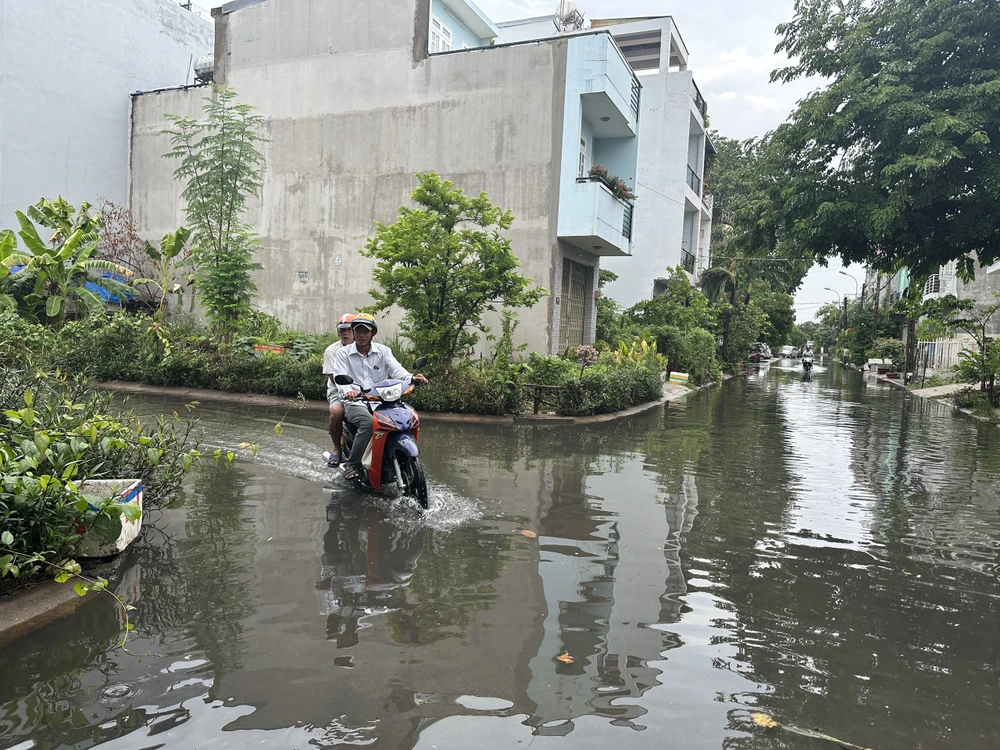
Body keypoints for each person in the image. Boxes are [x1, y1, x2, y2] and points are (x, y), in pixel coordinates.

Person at [333, 314, 427, 481]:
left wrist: (413, 380)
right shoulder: (343, 354)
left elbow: (398, 371)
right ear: (353, 333)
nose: (361, 335)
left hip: (383, 401)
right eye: (358, 331)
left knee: (405, 419)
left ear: (373, 333)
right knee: (368, 423)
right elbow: (339, 378)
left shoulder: (383, 351)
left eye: (365, 331)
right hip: (356, 402)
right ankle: (352, 464)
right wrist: (348, 391)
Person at [322, 313, 355, 467]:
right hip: (338, 390)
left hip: (364, 390)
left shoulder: (368, 348)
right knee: (336, 412)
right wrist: (349, 390)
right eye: (342, 330)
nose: (345, 333)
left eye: (348, 329)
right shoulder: (332, 351)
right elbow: (333, 378)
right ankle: (337, 449)